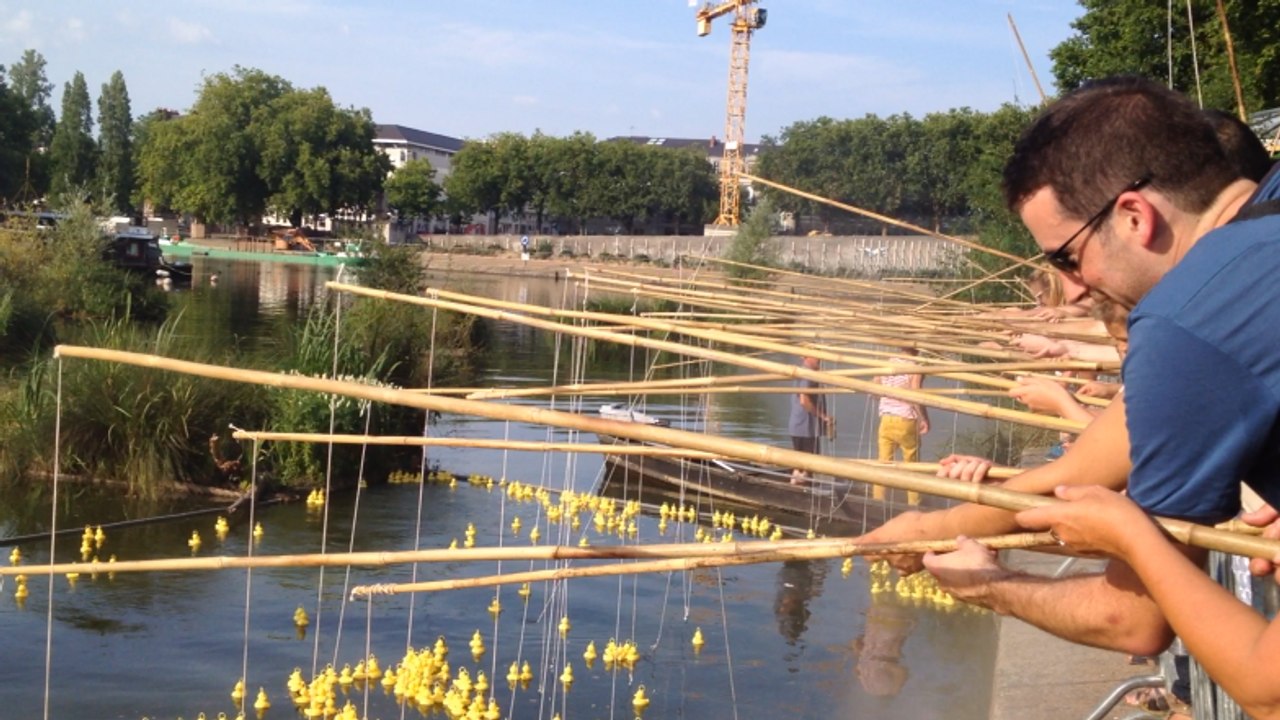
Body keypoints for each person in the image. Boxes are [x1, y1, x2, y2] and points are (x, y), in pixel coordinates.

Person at [859, 76, 1280, 660]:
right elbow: (1106, 449)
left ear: (1134, 215)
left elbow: (1132, 621)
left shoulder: (1185, 322)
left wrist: (992, 585)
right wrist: (941, 524)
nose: (1072, 291)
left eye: (1067, 258)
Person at [874, 348, 930, 501]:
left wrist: (886, 399)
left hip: (886, 418)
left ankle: (877, 501)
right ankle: (914, 503)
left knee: (883, 464)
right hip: (905, 419)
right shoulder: (915, 367)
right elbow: (915, 395)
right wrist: (924, 418)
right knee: (912, 465)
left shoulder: (886, 363)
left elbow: (874, 389)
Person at [789, 355, 832, 485]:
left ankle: (795, 486)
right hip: (806, 427)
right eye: (816, 356)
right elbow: (804, 400)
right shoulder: (808, 374)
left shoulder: (804, 372)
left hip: (799, 426)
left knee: (799, 465)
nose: (820, 358)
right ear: (806, 357)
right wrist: (823, 416)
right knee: (807, 466)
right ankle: (800, 492)